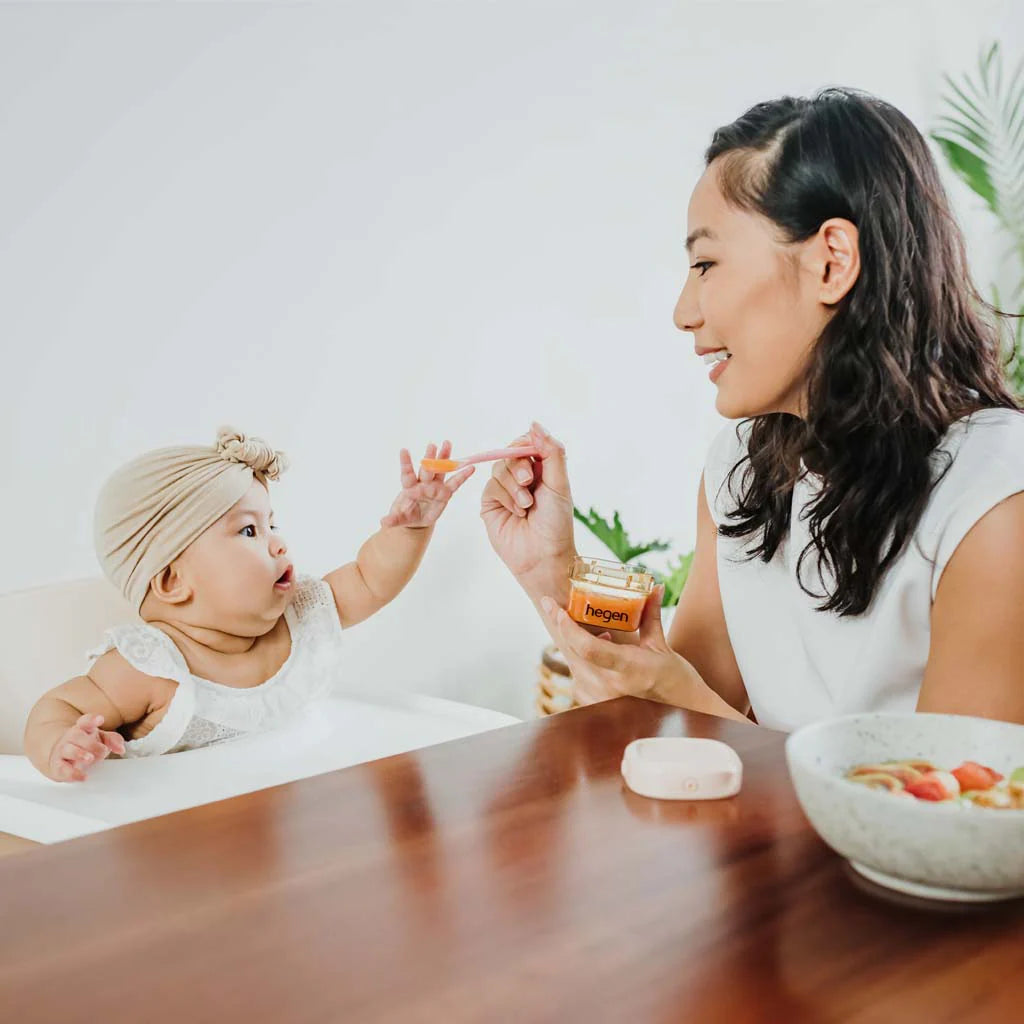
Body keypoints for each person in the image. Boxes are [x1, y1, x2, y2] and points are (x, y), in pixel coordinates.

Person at [481, 88, 1024, 731]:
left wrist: (687, 699)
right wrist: (554, 575)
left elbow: (948, 818)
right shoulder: (739, 471)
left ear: (831, 262)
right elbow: (672, 730)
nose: (685, 312)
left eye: (707, 263)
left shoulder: (994, 499)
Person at [24, 427, 473, 780]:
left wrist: (411, 528)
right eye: (248, 531)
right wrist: (62, 745)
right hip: (183, 856)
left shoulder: (298, 619)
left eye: (271, 524)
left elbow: (369, 578)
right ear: (172, 581)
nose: (278, 544)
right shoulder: (150, 668)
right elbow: (58, 707)